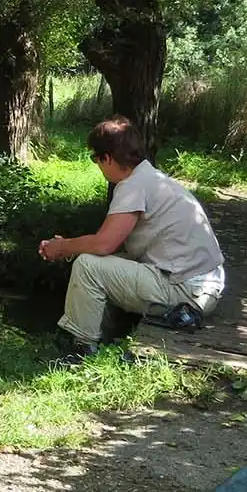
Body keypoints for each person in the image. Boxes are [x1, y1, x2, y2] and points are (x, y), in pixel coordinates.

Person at [38, 115, 226, 358]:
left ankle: (81, 350)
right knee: (107, 262)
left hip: (186, 294)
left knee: (87, 267)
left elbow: (104, 244)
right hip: (206, 287)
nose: (98, 165)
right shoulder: (152, 179)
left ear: (106, 158)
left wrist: (62, 247)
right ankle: (105, 335)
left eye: (96, 159)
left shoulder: (132, 186)